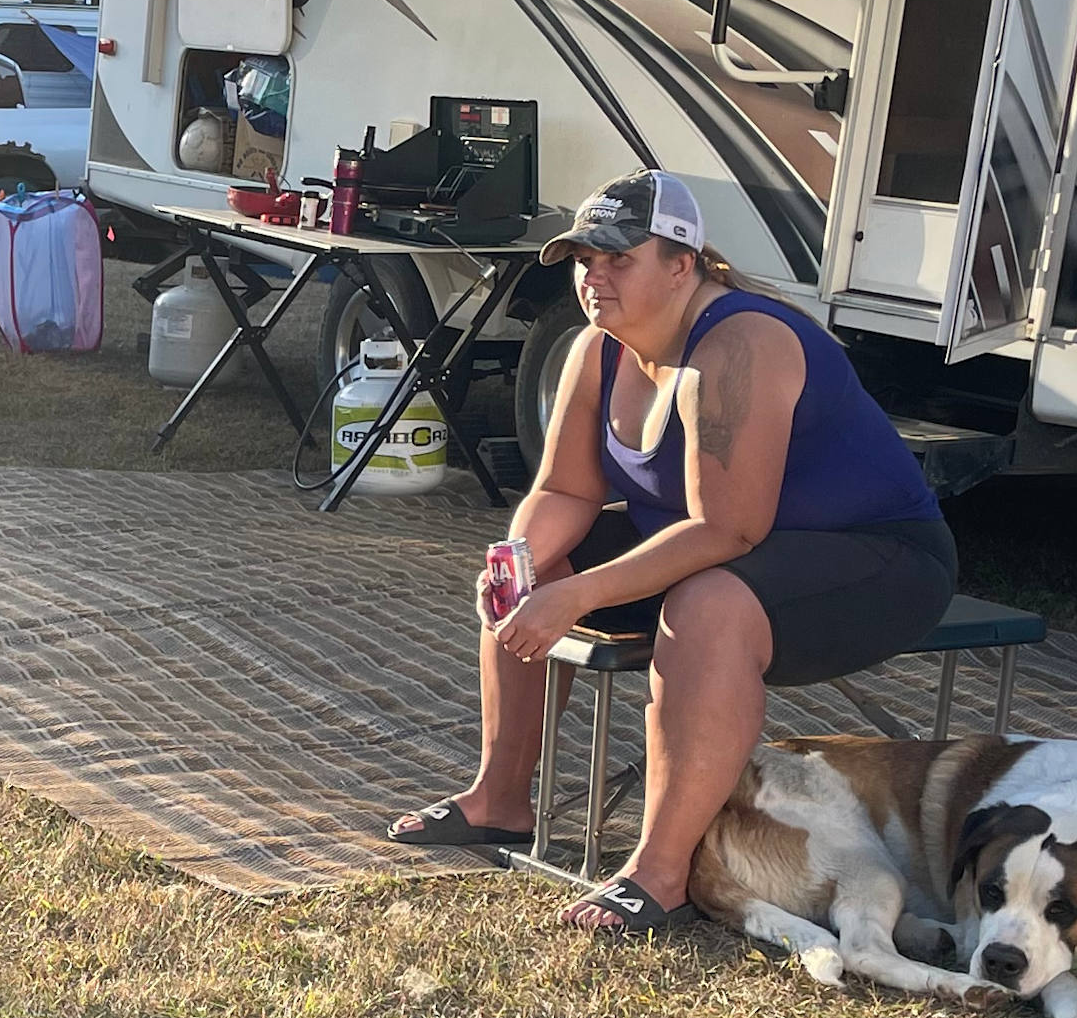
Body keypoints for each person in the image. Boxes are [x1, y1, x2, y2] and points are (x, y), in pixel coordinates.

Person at [384, 169, 956, 940]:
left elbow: (727, 531)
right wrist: (521, 561)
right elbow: (564, 491)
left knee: (707, 605)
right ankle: (499, 801)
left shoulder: (742, 341)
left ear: (682, 265)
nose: (595, 277)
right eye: (585, 260)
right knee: (534, 569)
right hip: (732, 547)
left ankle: (662, 873)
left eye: (619, 259)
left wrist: (578, 598)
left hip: (880, 560)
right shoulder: (598, 350)